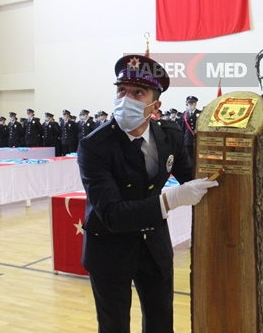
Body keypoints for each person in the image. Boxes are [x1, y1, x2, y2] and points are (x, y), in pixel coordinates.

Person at [77, 54, 218, 333]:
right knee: (114, 326)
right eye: (121, 91)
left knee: (161, 321)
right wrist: (172, 198)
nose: (125, 99)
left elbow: (191, 177)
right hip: (109, 248)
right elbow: (112, 214)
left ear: (155, 105)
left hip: (154, 244)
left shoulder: (169, 135)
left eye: (138, 93)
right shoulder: (95, 146)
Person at [181, 96, 201, 160]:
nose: (190, 105)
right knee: (189, 157)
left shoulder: (200, 113)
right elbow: (183, 128)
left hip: (198, 139)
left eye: (192, 103)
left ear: (195, 104)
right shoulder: (185, 115)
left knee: (197, 157)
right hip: (188, 140)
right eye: (189, 103)